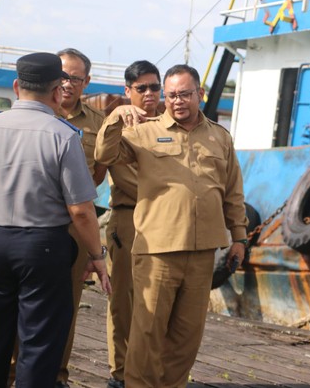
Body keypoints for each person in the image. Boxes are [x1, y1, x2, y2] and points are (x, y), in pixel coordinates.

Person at [0, 52, 111, 388]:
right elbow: (80, 210)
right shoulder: (63, 135)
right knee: (39, 342)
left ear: (15, 87)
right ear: (57, 91)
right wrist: (97, 256)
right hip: (45, 247)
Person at [95, 64, 248, 388]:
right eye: (172, 95)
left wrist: (239, 238)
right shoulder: (143, 131)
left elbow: (232, 191)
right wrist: (115, 117)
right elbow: (104, 153)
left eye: (185, 94)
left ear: (200, 95)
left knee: (186, 336)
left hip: (203, 250)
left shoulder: (220, 137)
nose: (178, 101)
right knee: (147, 332)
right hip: (158, 250)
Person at [103, 60, 163, 388]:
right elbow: (124, 176)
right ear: (128, 92)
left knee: (159, 299)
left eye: (155, 87)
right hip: (130, 219)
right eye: (141, 88)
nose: (149, 93)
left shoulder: (171, 125)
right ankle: (121, 371)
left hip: (167, 223)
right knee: (123, 300)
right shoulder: (119, 128)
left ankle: (151, 369)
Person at [54, 48, 108, 388]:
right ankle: (16, 373)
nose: (67, 83)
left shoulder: (97, 123)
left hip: (75, 227)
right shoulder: (38, 112)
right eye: (62, 75)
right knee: (24, 301)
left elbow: (99, 173)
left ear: (86, 82)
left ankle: (56, 374)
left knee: (67, 303)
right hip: (33, 221)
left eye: (75, 77)